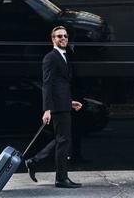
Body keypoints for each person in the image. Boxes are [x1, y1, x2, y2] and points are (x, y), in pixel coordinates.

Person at [25, 26, 83, 188]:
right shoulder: (51, 57)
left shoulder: (63, 56)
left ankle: (35, 162)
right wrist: (47, 109)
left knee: (62, 140)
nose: (63, 38)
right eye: (59, 36)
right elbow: (47, 84)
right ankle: (61, 178)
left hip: (63, 104)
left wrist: (69, 102)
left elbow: (60, 85)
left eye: (65, 36)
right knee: (64, 141)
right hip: (56, 107)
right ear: (53, 39)